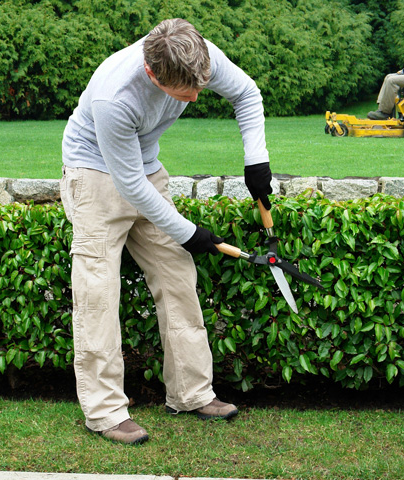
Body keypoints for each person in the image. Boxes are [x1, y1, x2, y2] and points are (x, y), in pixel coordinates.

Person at [60, 18, 273, 444]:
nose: (196, 97)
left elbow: (246, 93)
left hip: (145, 170)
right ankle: (105, 413)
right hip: (96, 176)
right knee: (98, 293)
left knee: (178, 277)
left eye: (200, 84)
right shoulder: (113, 96)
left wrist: (257, 161)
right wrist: (191, 232)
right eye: (185, 91)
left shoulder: (194, 53)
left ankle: (190, 393)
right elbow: (129, 185)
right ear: (153, 74)